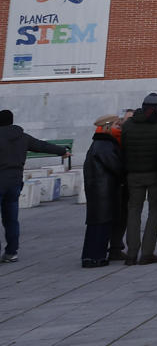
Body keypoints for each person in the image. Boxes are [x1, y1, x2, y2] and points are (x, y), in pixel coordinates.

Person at [0, 108, 73, 263]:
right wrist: (62, 151)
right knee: (11, 219)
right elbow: (42, 146)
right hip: (14, 181)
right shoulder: (22, 137)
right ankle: (12, 252)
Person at [120, 93, 157, 265]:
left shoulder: (128, 125)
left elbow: (124, 148)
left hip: (133, 173)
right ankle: (147, 253)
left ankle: (132, 252)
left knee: (133, 211)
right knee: (154, 212)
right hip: (155, 174)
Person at [81, 116, 125, 268]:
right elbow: (115, 166)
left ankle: (90, 256)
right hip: (103, 191)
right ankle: (96, 257)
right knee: (101, 225)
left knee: (96, 225)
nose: (119, 127)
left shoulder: (99, 143)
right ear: (108, 126)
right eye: (116, 124)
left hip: (98, 190)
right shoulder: (105, 144)